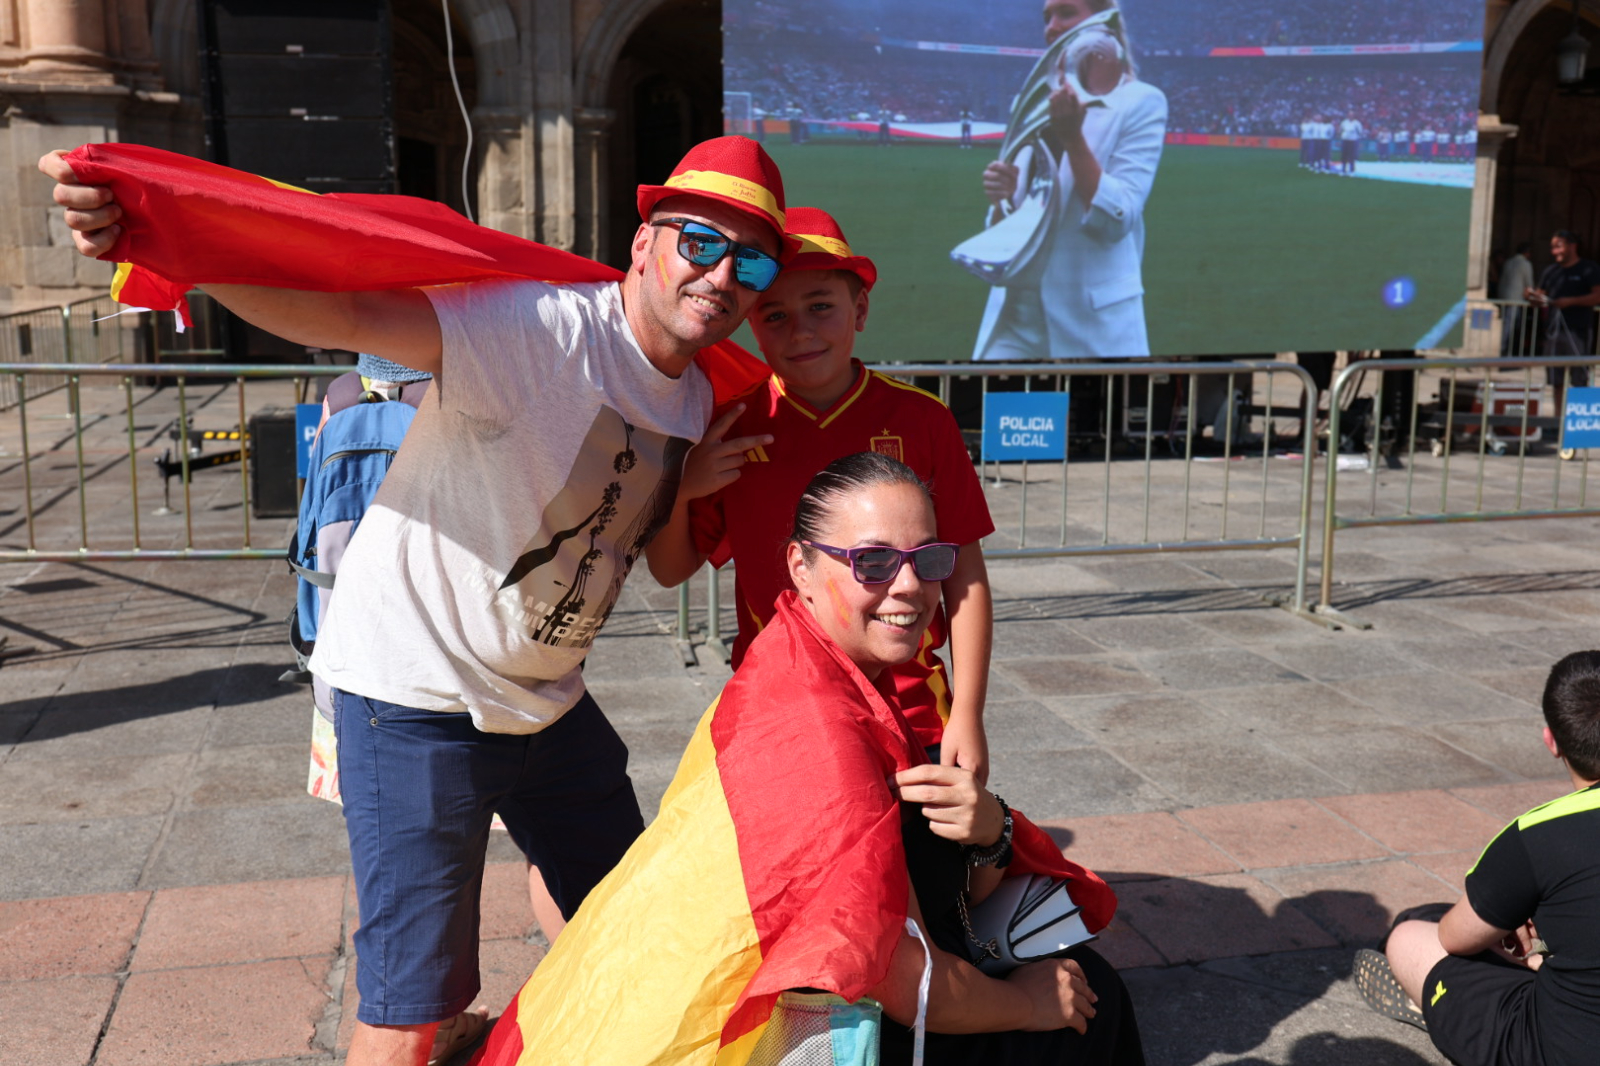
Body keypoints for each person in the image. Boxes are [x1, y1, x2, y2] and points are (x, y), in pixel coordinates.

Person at [41, 134, 793, 1066]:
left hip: (545, 701)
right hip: (415, 695)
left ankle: (554, 1036)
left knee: (622, 912)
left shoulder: (690, 399)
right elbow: (345, 311)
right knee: (408, 1009)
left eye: (749, 260)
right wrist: (169, 245)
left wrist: (687, 489)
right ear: (644, 243)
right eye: (699, 242)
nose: (721, 274)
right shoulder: (541, 329)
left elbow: (646, 550)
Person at [472, 453, 1143, 1066]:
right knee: (1093, 1003)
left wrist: (992, 830)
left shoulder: (802, 665)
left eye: (929, 559)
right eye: (873, 563)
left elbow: (931, 892)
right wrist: (1028, 1005)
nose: (910, 587)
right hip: (750, 1034)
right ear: (801, 567)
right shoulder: (821, 736)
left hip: (710, 993)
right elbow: (902, 979)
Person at [646, 206, 996, 777]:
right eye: (775, 314)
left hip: (912, 711)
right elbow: (670, 569)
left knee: (925, 863)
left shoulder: (921, 418)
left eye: (821, 307)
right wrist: (683, 489)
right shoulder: (732, 424)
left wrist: (969, 716)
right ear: (750, 321)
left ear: (859, 310)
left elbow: (965, 575)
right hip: (779, 705)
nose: (800, 330)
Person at [1355, 650, 1600, 1066]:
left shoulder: (1538, 834)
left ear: (1552, 742)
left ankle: (1435, 1007)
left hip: (1557, 1050)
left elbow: (1455, 938)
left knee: (1411, 933)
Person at [974, 0, 1168, 361]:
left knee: (1092, 418)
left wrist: (1073, 139)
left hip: (1091, 321)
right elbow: (1015, 219)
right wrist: (1000, 196)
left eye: (1065, 13)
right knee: (999, 415)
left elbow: (1117, 219)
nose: (1051, 26)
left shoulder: (1140, 102)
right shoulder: (1031, 102)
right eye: (1047, 17)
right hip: (1014, 315)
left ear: (1102, 21)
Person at [1525, 229, 1600, 395]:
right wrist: (1531, 296)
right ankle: (1557, 419)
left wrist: (1570, 301)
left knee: (1579, 379)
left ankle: (1578, 419)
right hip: (1553, 333)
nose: (1554, 252)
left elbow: (1597, 296)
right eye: (1552, 248)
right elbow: (1540, 296)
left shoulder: (1589, 268)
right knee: (1556, 380)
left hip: (1578, 331)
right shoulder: (1550, 271)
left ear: (1572, 246)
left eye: (1558, 246)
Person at [1499, 241, 1534, 356]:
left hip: (1504, 298)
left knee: (1506, 324)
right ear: (1527, 253)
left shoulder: (1508, 262)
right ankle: (1506, 350)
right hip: (1517, 299)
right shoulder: (1525, 264)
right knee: (1511, 326)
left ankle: (1506, 349)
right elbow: (1529, 284)